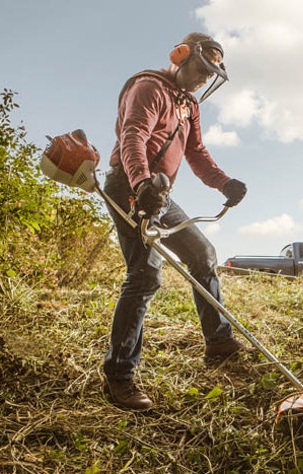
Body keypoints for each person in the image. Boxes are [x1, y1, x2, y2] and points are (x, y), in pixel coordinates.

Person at [102, 32, 247, 410]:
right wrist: (142, 184)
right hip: (128, 185)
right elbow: (133, 135)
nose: (202, 78)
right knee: (145, 275)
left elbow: (196, 153)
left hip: (160, 193)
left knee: (202, 252)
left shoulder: (189, 105)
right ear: (182, 55)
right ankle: (119, 376)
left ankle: (218, 341)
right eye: (201, 68)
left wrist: (224, 183)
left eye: (210, 74)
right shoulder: (149, 87)